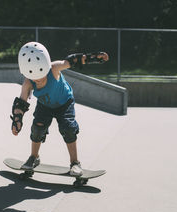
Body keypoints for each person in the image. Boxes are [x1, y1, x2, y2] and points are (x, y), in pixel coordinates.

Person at [11, 41, 109, 176]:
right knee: (38, 128)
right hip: (45, 105)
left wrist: (93, 58)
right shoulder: (28, 82)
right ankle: (34, 157)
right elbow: (21, 103)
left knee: (68, 128)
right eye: (35, 78)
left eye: (41, 76)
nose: (38, 80)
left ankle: (75, 163)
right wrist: (17, 120)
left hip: (64, 103)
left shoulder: (54, 68)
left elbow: (73, 61)